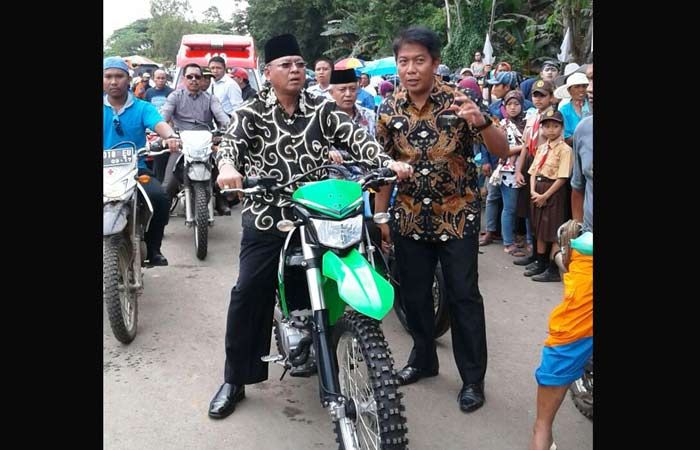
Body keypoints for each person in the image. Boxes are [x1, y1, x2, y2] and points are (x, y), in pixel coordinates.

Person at [207, 34, 412, 420]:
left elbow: (358, 139)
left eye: (300, 63)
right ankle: (235, 378)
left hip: (320, 215)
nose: (296, 70)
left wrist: (387, 162)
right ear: (268, 73)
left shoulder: (322, 109)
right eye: (286, 64)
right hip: (270, 216)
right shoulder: (250, 112)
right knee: (249, 289)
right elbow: (231, 146)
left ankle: (335, 350)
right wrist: (229, 168)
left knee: (354, 261)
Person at [375, 26, 509, 413]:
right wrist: (382, 214)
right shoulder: (389, 108)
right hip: (410, 217)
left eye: (420, 61)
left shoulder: (461, 100)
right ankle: (423, 358)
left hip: (458, 216)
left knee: (464, 296)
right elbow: (384, 167)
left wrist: (482, 121)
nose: (411, 69)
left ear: (435, 63)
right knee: (413, 294)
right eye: (404, 62)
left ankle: (472, 380)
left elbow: (500, 151)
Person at [528, 111, 593, 450]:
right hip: (592, 253)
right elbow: (578, 189)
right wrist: (578, 229)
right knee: (566, 336)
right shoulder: (585, 129)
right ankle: (543, 428)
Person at [103, 57, 179, 266]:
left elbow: (159, 124)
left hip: (137, 170)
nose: (113, 81)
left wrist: (170, 136)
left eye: (118, 76)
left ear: (128, 79)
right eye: (108, 76)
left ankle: (153, 249)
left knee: (160, 197)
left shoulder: (142, 107)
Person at [160, 63, 231, 209]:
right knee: (168, 186)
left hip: (207, 144)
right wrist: (167, 136)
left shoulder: (211, 98)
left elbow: (222, 117)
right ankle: (160, 222)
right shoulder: (175, 96)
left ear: (202, 79)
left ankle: (221, 199)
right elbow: (162, 119)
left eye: (197, 77)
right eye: (190, 76)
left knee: (224, 173)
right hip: (181, 145)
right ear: (184, 79)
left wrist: (230, 129)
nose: (194, 80)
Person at [526, 109, 573, 282]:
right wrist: (533, 191)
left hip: (553, 191)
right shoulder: (542, 148)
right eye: (546, 126)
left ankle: (552, 269)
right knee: (539, 228)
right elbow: (533, 171)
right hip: (537, 189)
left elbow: (562, 177)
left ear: (561, 128)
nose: (551, 130)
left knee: (553, 231)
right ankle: (540, 262)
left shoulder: (565, 150)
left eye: (555, 126)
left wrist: (545, 195)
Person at [514, 79, 555, 267]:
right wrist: (518, 170)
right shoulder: (532, 117)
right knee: (529, 212)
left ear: (551, 97)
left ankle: (543, 259)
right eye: (535, 96)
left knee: (543, 216)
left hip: (544, 165)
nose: (538, 99)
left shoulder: (553, 119)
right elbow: (524, 146)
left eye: (542, 96)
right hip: (530, 162)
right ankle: (534, 254)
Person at [497, 90, 529, 255]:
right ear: (504, 107)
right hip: (509, 172)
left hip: (528, 169)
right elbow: (502, 151)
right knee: (510, 208)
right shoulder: (502, 125)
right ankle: (508, 242)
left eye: (516, 104)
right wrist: (523, 147)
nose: (513, 107)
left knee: (528, 207)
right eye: (509, 104)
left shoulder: (529, 123)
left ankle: (530, 241)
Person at [553, 72, 590, 146]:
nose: (581, 89)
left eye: (584, 86)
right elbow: (566, 138)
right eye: (577, 87)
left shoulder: (591, 106)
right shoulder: (564, 110)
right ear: (569, 91)